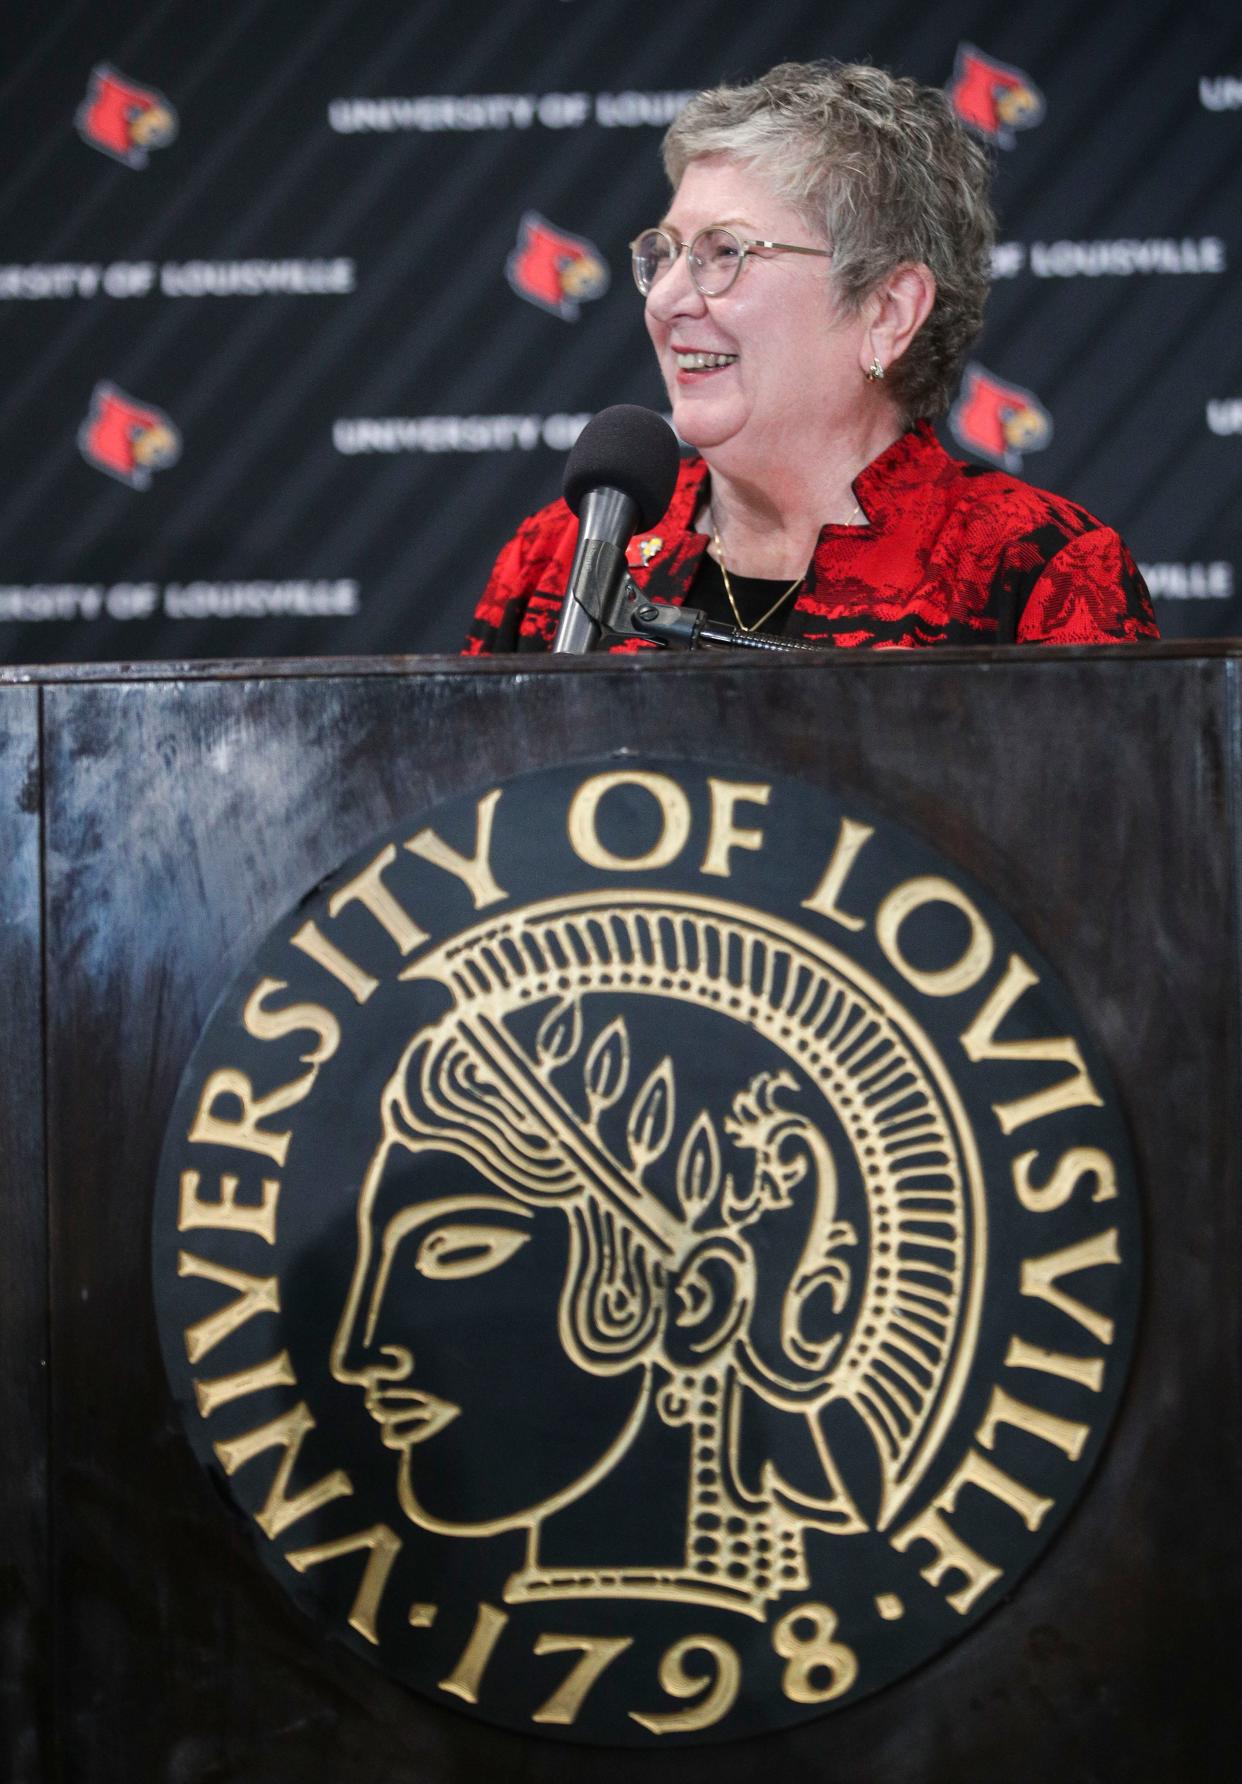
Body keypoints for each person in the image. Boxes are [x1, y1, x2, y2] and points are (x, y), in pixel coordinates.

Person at [465, 61, 1158, 654]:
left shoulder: (1034, 571)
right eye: (668, 253)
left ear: (886, 312)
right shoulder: (562, 555)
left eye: (724, 254)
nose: (667, 299)